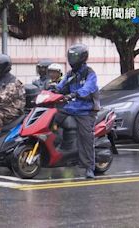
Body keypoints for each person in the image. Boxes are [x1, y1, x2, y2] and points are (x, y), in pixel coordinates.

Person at [56, 43, 100, 179]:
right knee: (52, 118)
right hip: (71, 108)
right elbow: (61, 86)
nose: (72, 59)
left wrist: (75, 94)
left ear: (82, 58)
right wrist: (52, 90)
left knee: (85, 138)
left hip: (85, 110)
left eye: (75, 57)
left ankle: (89, 168)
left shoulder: (89, 73)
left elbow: (88, 88)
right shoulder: (70, 74)